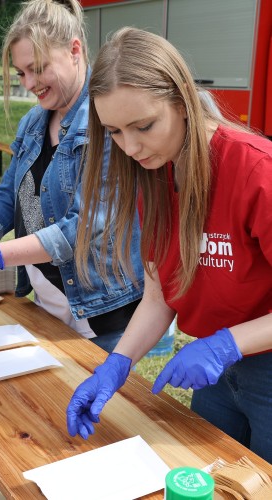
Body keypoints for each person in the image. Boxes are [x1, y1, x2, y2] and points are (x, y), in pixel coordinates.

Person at [66, 27, 272, 462]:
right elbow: (160, 295)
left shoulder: (255, 171)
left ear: (181, 101)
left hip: (262, 369)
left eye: (144, 126)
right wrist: (116, 365)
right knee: (212, 477)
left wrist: (227, 344)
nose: (131, 147)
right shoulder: (153, 173)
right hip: (215, 372)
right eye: (115, 132)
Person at [0, 0, 144, 353]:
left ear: (74, 50)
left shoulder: (106, 121)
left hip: (104, 313)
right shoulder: (33, 122)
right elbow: (8, 194)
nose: (29, 83)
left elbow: (83, 229)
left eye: (38, 68)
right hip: (49, 303)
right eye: (20, 73)